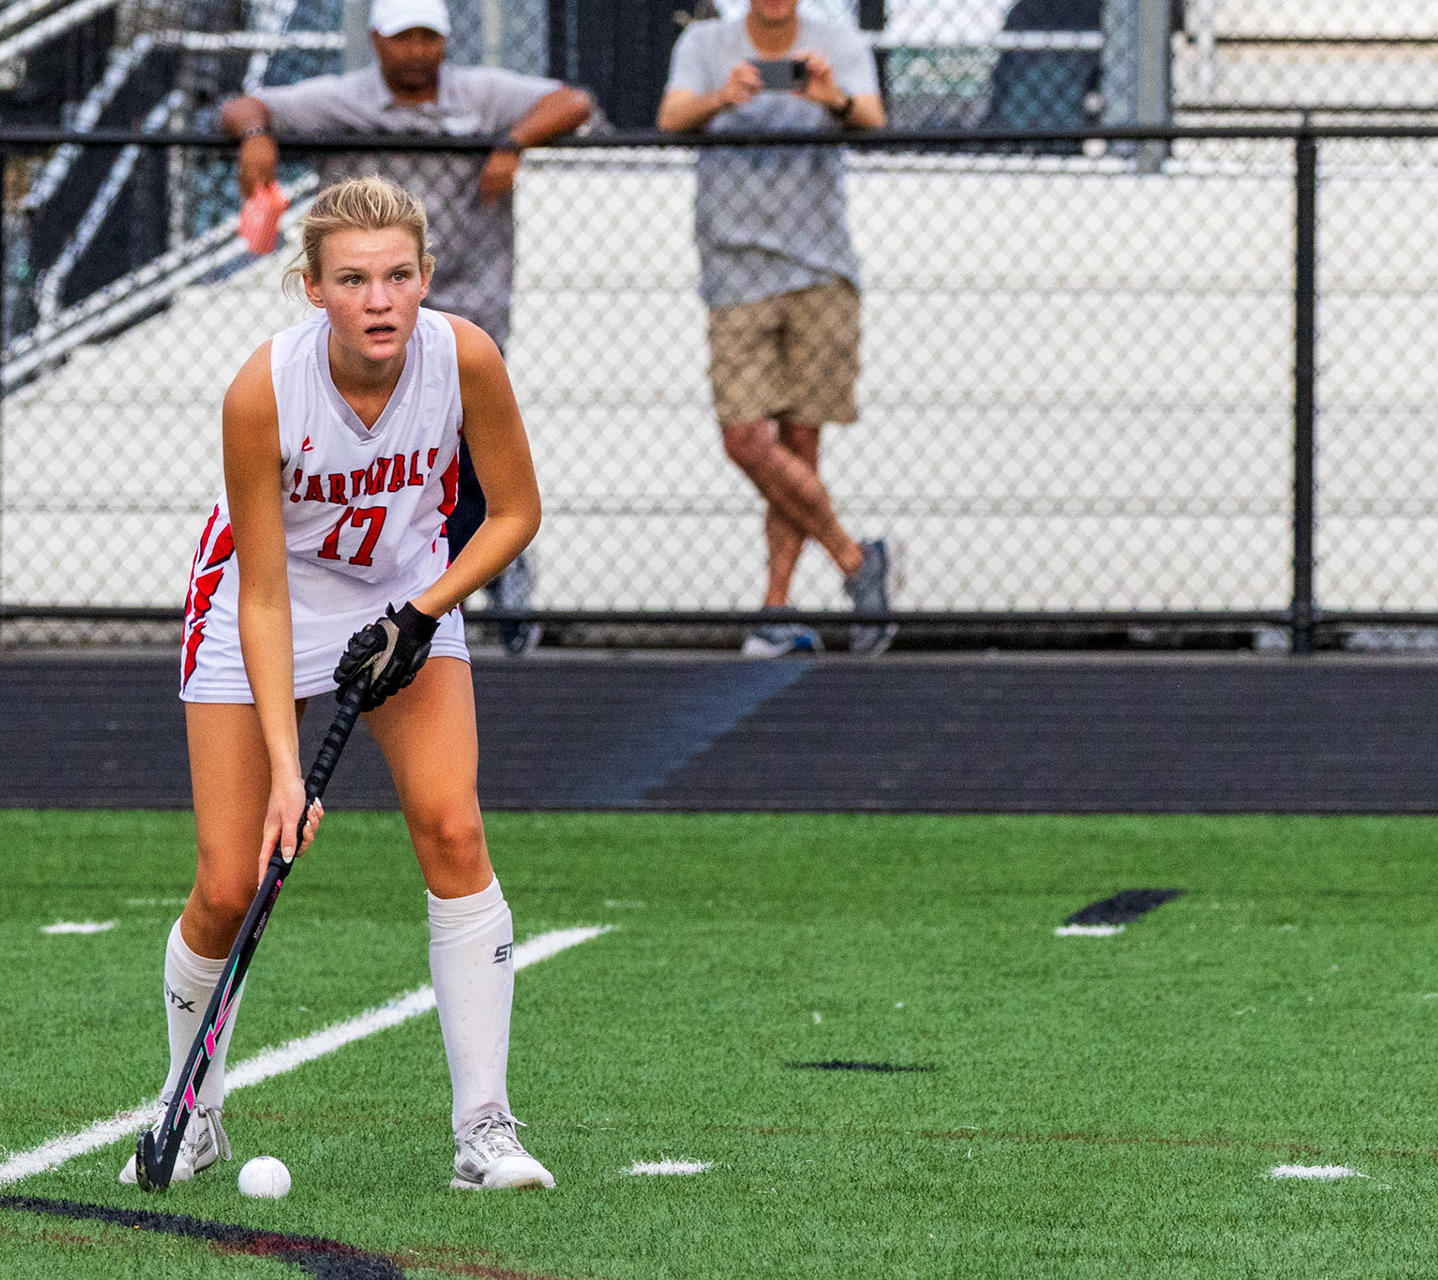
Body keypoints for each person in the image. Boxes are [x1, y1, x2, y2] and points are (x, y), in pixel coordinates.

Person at [119, 176, 553, 1191]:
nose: (379, 299)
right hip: (263, 603)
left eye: (398, 275)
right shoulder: (263, 390)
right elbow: (264, 595)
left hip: (404, 594)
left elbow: (515, 514)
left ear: (426, 277)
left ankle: (484, 1130)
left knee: (453, 828)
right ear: (313, 288)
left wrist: (422, 611)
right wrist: (288, 771)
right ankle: (192, 1108)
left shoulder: (465, 358)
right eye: (353, 279)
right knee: (229, 883)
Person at [221, 0, 591, 655]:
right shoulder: (344, 98)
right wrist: (255, 134)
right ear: (375, 41)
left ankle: (477, 600)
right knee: (372, 472)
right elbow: (242, 105)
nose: (416, 50)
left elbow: (574, 100)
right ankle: (377, 597)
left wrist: (511, 142)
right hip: (367, 351)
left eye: (428, 36)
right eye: (402, 37)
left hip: (468, 310)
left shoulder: (480, 94)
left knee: (473, 471)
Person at [658, 0, 896, 658]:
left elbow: (873, 116)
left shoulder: (837, 42)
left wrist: (831, 98)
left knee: (799, 442)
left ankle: (776, 607)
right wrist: (721, 97)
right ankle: (854, 558)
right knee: (745, 438)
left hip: (819, 266)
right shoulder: (706, 43)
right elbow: (671, 117)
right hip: (734, 267)